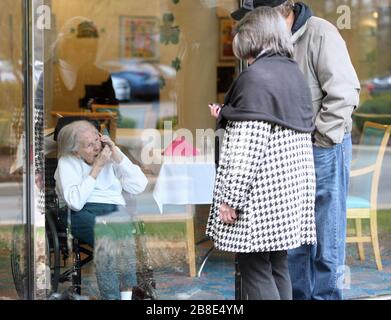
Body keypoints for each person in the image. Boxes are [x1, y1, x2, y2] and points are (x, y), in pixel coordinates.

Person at [230, 0, 361, 300]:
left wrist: (319, 141)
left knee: (327, 240)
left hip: (324, 148)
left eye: (257, 17)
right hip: (294, 153)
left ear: (282, 11)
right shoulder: (272, 43)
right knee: (295, 237)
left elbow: (343, 94)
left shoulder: (321, 34)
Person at [206, 7, 316, 300]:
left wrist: (230, 199)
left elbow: (246, 149)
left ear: (253, 37)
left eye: (241, 36)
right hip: (288, 193)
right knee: (278, 264)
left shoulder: (255, 78)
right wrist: (229, 114)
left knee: (254, 268)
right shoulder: (292, 73)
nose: (237, 41)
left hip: (259, 198)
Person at [54, 120, 148, 300]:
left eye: (97, 140)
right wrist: (96, 168)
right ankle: (111, 297)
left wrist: (117, 155)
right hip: (80, 212)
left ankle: (126, 297)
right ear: (75, 151)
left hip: (112, 208)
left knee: (125, 239)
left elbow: (139, 185)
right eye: (89, 145)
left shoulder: (110, 155)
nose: (96, 147)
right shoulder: (67, 163)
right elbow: (75, 203)